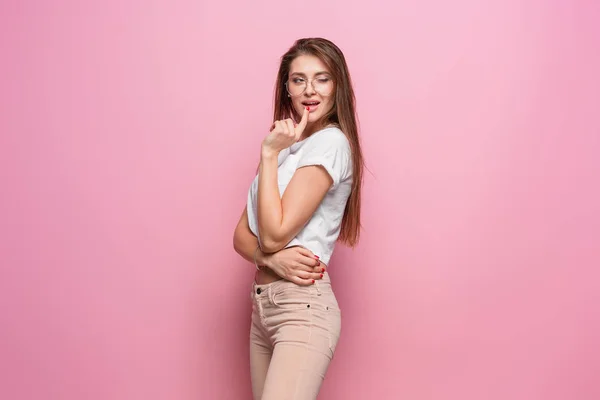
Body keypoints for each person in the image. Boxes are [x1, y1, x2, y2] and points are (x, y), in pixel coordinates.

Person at [233, 37, 364, 400]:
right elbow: (242, 236)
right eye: (298, 79)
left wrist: (268, 155)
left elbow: (272, 235)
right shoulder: (288, 146)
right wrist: (267, 258)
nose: (310, 90)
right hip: (264, 306)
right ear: (286, 88)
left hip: (301, 309)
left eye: (322, 78)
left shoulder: (331, 143)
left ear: (338, 85)